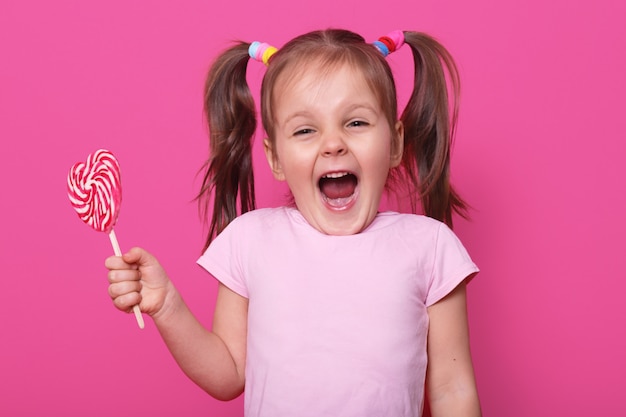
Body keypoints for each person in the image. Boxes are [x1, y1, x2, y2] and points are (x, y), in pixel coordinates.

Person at [106, 28, 482, 416]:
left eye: (356, 123)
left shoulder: (430, 247)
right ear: (275, 158)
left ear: (396, 142)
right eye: (305, 130)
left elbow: (452, 390)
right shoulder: (251, 240)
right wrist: (168, 307)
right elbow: (228, 373)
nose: (333, 143)